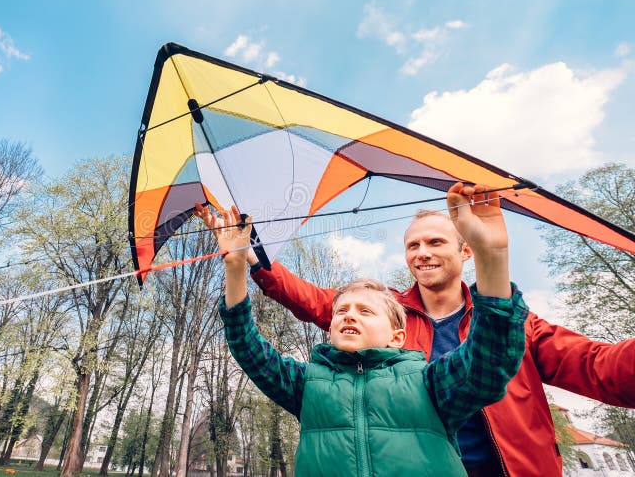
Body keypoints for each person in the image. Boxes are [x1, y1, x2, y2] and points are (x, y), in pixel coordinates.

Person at [204, 188, 635, 476]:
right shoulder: (388, 313)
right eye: (413, 245)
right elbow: (313, 302)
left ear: (466, 249)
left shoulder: (508, 321)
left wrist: (493, 260)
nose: (422, 253)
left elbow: (600, 368)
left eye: (435, 242)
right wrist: (251, 261)